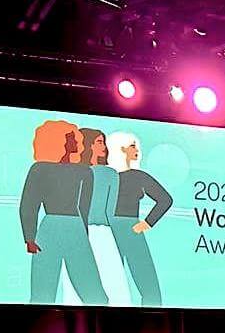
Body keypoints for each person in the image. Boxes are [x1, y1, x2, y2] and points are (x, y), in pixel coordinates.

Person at [19, 119, 109, 306]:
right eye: (71, 138)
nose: (77, 142)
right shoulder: (40, 169)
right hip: (55, 230)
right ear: (58, 141)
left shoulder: (84, 172)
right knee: (43, 293)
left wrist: (83, 236)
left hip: (68, 230)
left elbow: (84, 208)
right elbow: (29, 205)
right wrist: (29, 237)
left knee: (93, 294)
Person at [61, 127, 130, 307]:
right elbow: (110, 212)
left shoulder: (108, 173)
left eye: (104, 142)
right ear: (87, 144)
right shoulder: (107, 174)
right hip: (92, 234)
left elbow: (109, 212)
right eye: (99, 142)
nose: (103, 147)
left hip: (93, 234)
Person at [107, 131, 173, 307]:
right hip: (110, 231)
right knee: (111, 281)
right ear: (121, 149)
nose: (137, 150)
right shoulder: (107, 176)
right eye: (132, 146)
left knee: (148, 286)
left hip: (131, 228)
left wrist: (146, 223)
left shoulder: (139, 176)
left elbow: (165, 200)